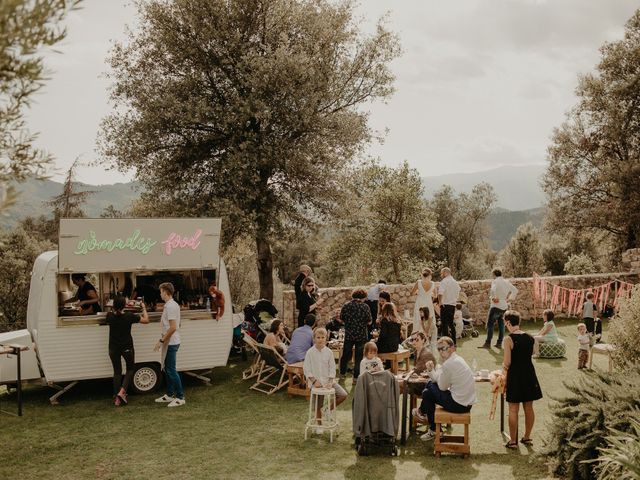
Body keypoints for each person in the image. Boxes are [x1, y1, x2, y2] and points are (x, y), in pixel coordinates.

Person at [412, 336, 476, 441]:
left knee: (428, 387)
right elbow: (439, 380)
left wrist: (432, 372)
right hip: (467, 404)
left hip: (459, 404)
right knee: (428, 392)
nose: (441, 351)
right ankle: (428, 421)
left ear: (452, 348)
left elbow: (441, 386)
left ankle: (422, 413)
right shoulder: (457, 359)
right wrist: (431, 370)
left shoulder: (449, 363)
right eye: (439, 349)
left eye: (444, 348)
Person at [502, 310, 543, 448]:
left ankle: (513, 441)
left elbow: (507, 362)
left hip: (515, 375)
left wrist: (502, 372)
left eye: (505, 323)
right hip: (529, 374)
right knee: (529, 408)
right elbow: (531, 354)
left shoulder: (508, 339)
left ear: (508, 322)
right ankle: (527, 437)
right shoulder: (530, 337)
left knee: (513, 409)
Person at [106, 295, 149, 406]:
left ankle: (116, 398)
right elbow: (146, 320)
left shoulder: (109, 316)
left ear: (114, 305)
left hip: (113, 348)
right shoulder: (129, 316)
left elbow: (113, 311)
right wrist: (143, 308)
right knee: (130, 370)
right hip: (127, 347)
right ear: (124, 305)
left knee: (117, 372)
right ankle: (122, 392)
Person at [303, 327, 348, 430]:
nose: (320, 339)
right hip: (316, 383)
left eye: (323, 337)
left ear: (326, 339)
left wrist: (331, 381)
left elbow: (332, 368)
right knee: (318, 404)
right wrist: (314, 380)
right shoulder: (310, 352)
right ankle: (319, 425)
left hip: (328, 381)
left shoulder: (329, 352)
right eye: (318, 337)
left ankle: (328, 410)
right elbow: (306, 368)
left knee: (343, 394)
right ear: (314, 339)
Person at [154, 282, 185, 407]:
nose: (160, 294)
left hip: (171, 342)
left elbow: (173, 327)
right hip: (170, 341)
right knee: (168, 369)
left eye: (161, 291)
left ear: (166, 292)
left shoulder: (171, 306)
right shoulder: (171, 305)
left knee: (171, 370)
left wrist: (161, 341)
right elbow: (178, 324)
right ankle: (169, 394)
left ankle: (180, 397)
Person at [479, 268, 518, 349]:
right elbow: (515, 290)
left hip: (496, 305)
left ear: (494, 274)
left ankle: (487, 343)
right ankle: (499, 343)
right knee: (501, 325)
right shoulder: (506, 282)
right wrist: (509, 299)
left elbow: (493, 290)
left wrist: (493, 298)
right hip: (504, 305)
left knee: (490, 324)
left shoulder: (495, 281)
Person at [339, 288, 372, 380]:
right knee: (359, 356)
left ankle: (342, 374)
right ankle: (356, 377)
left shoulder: (346, 306)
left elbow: (341, 319)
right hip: (361, 335)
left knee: (345, 354)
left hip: (349, 334)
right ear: (363, 297)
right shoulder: (365, 307)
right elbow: (369, 322)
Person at [407, 331, 437, 396]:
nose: (414, 342)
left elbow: (417, 370)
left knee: (399, 384)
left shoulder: (426, 354)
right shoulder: (416, 352)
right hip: (418, 381)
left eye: (417, 340)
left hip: (427, 385)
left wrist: (407, 374)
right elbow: (416, 371)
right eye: (412, 340)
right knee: (398, 384)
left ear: (423, 340)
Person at [438, 268, 461, 345]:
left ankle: (446, 343)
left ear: (445, 273)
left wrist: (440, 302)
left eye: (442, 273)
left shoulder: (444, 281)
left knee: (444, 324)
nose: (441, 275)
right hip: (452, 305)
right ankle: (454, 342)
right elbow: (458, 294)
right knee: (451, 324)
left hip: (445, 305)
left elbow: (440, 293)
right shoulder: (455, 282)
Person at [411, 268, 435, 336]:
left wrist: (418, 292)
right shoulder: (432, 283)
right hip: (428, 302)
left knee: (418, 317)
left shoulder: (419, 282)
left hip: (420, 302)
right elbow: (435, 295)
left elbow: (412, 293)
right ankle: (428, 334)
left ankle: (418, 335)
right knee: (429, 317)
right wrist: (429, 294)